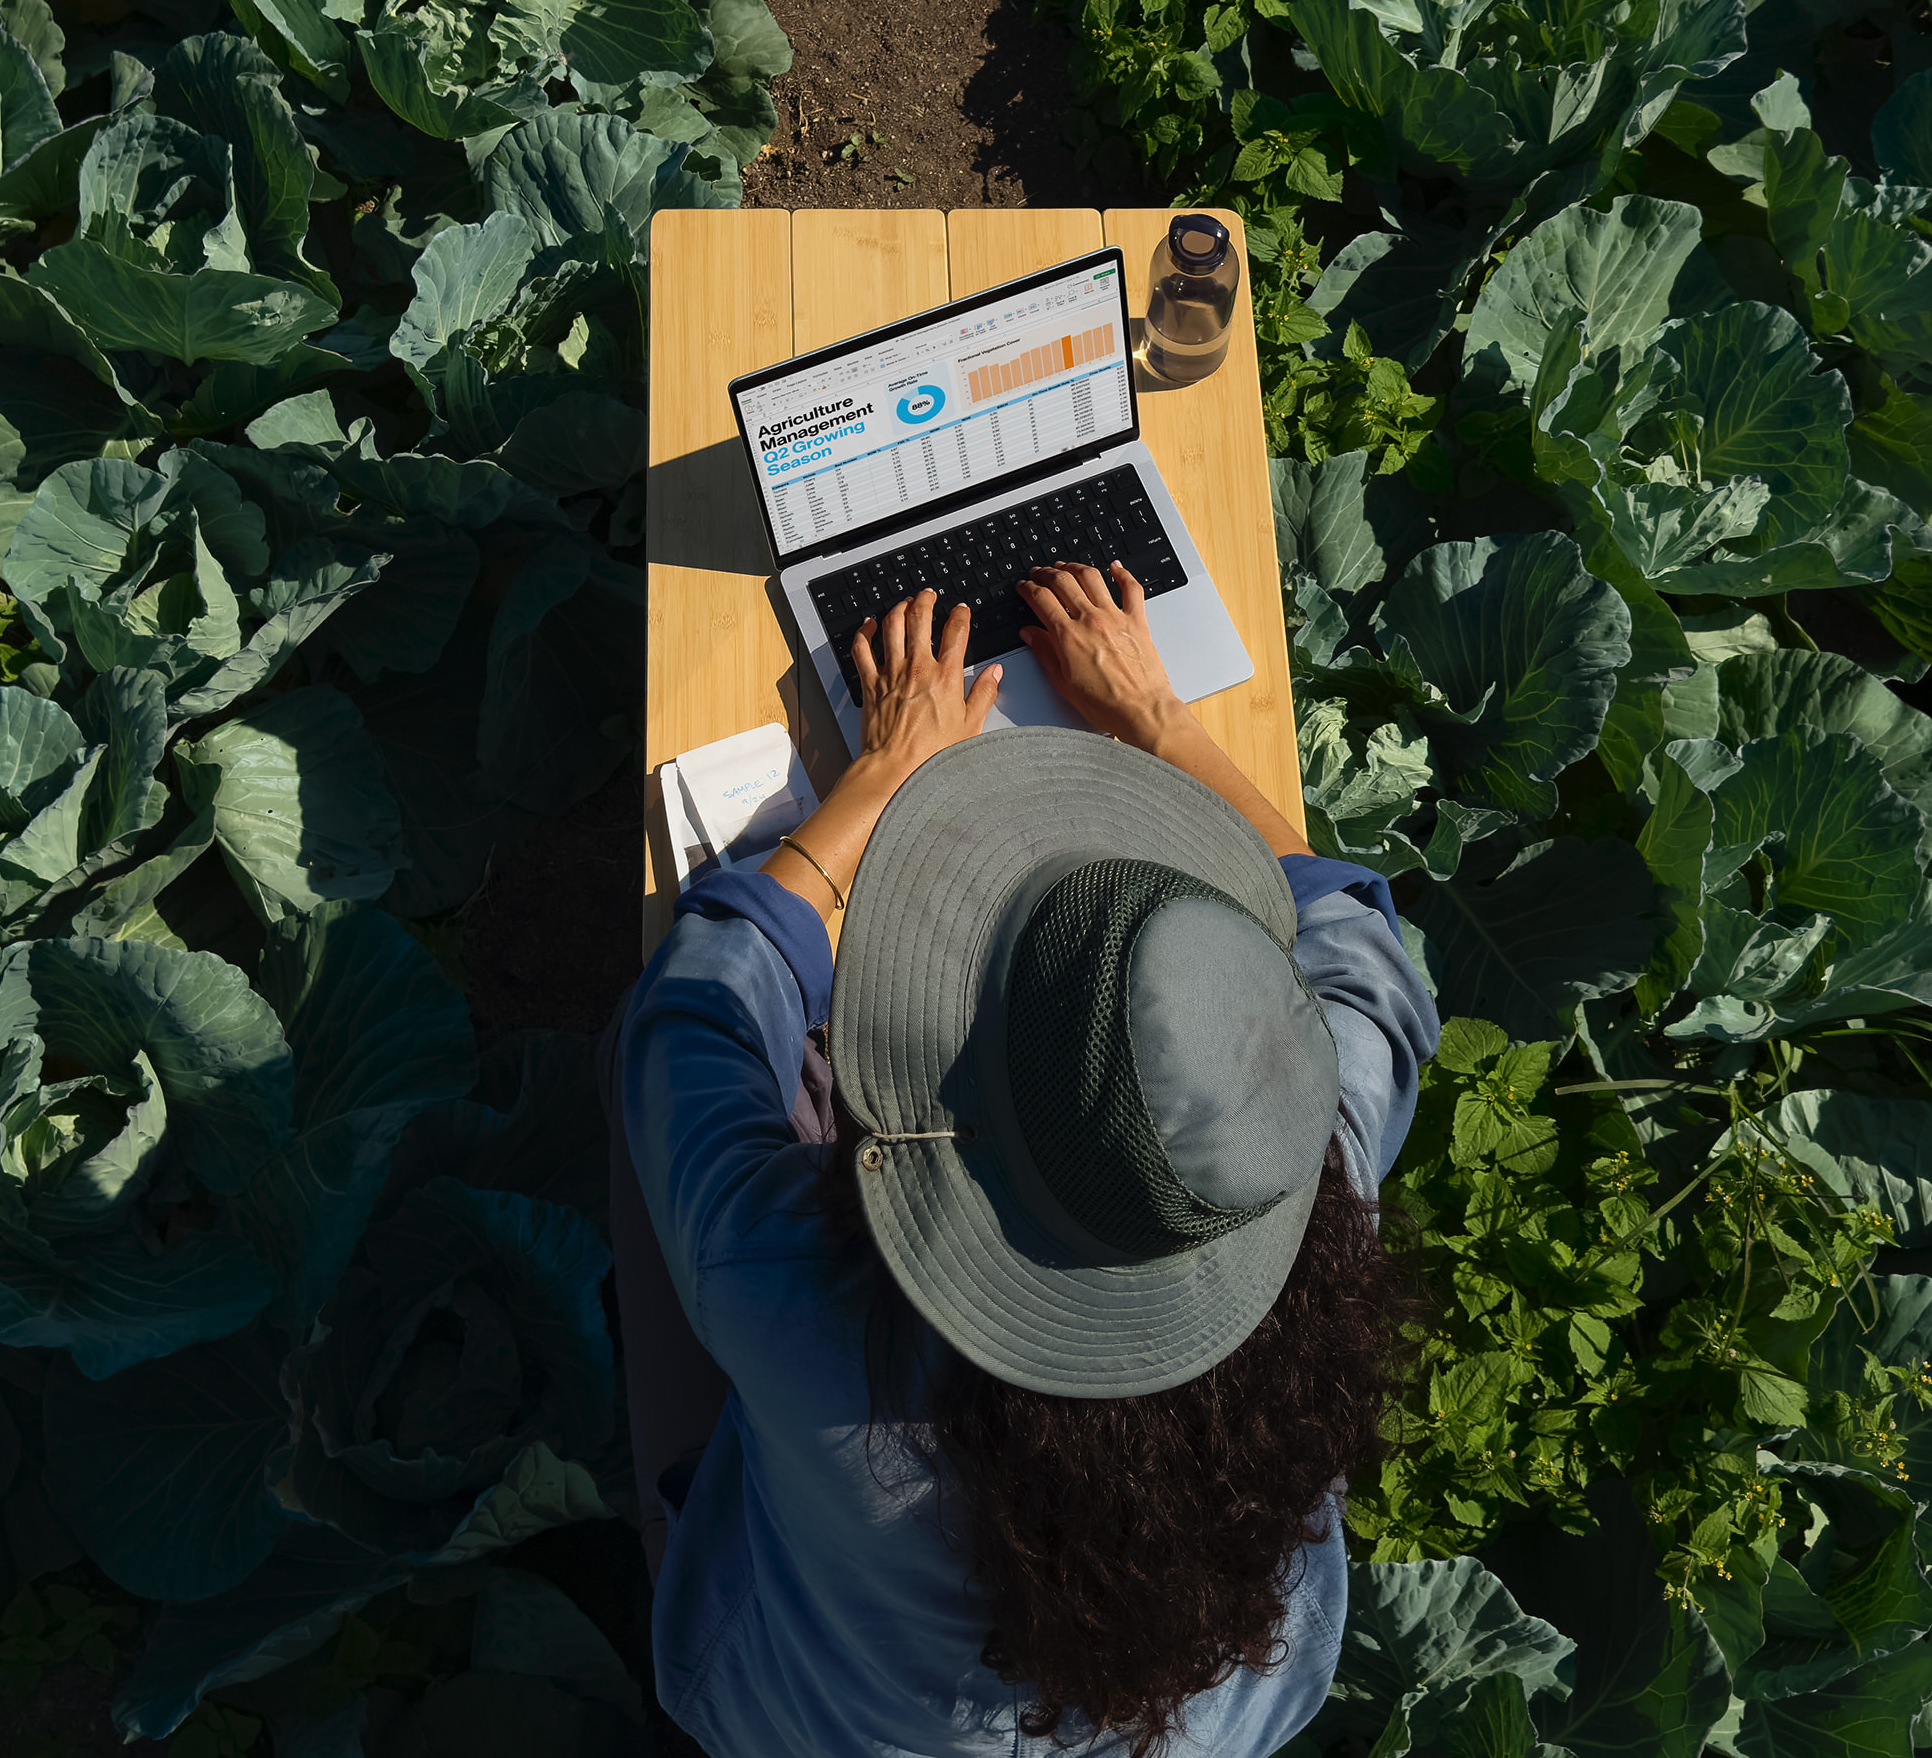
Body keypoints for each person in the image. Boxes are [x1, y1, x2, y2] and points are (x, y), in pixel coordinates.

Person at [610, 560, 1445, 1757]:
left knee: (639, 1065)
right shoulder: (1291, 1176)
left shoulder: (801, 1303)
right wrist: (1157, 719)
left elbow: (690, 1017)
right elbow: (1364, 947)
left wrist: (879, 783)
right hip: (1207, 1731)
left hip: (797, 1715)